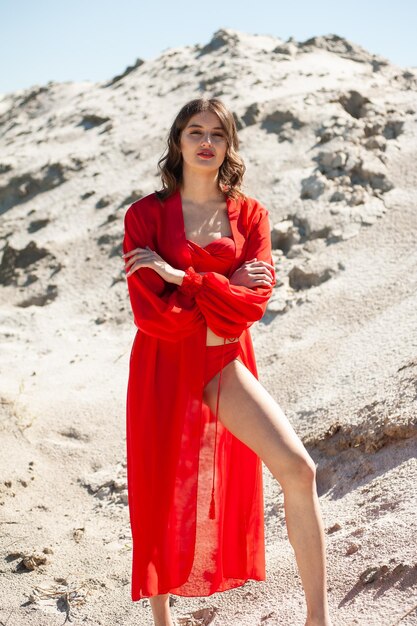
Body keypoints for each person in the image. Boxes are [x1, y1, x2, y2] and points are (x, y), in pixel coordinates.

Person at [122, 97, 332, 626]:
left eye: (218, 133)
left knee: (298, 470)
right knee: (165, 491)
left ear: (229, 144)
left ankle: (318, 619)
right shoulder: (144, 216)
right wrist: (218, 290)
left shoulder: (251, 215)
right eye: (195, 131)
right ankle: (162, 619)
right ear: (178, 141)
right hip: (163, 367)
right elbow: (152, 316)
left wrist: (182, 279)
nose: (206, 142)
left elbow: (248, 309)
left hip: (222, 367)